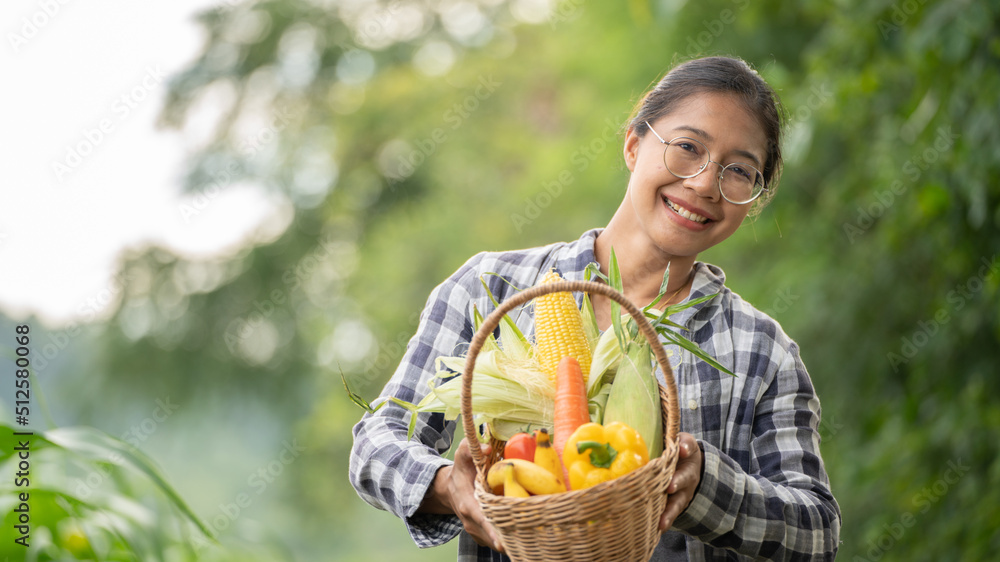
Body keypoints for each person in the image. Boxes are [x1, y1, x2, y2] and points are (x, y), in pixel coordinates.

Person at [349, 56, 841, 560]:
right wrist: (448, 485)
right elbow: (375, 445)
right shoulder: (489, 288)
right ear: (634, 144)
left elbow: (818, 532)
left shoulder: (763, 351)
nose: (704, 183)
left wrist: (705, 488)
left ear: (753, 197)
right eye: (688, 148)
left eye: (739, 170)